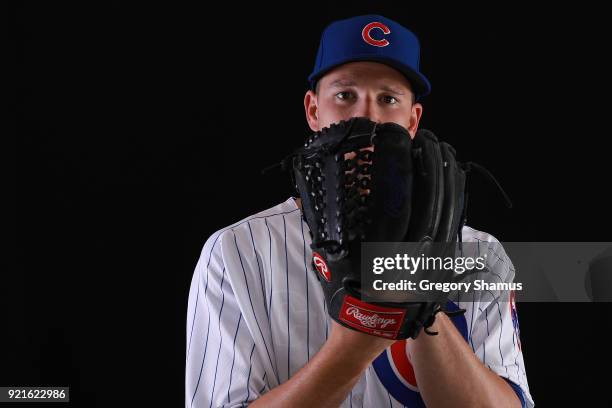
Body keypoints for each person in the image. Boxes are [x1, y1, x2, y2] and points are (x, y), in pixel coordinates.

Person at [185, 14, 533, 408]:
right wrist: (359, 337)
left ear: (413, 120)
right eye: (345, 95)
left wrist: (421, 304)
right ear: (313, 110)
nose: (367, 117)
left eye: (388, 99)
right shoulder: (235, 251)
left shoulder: (478, 254)